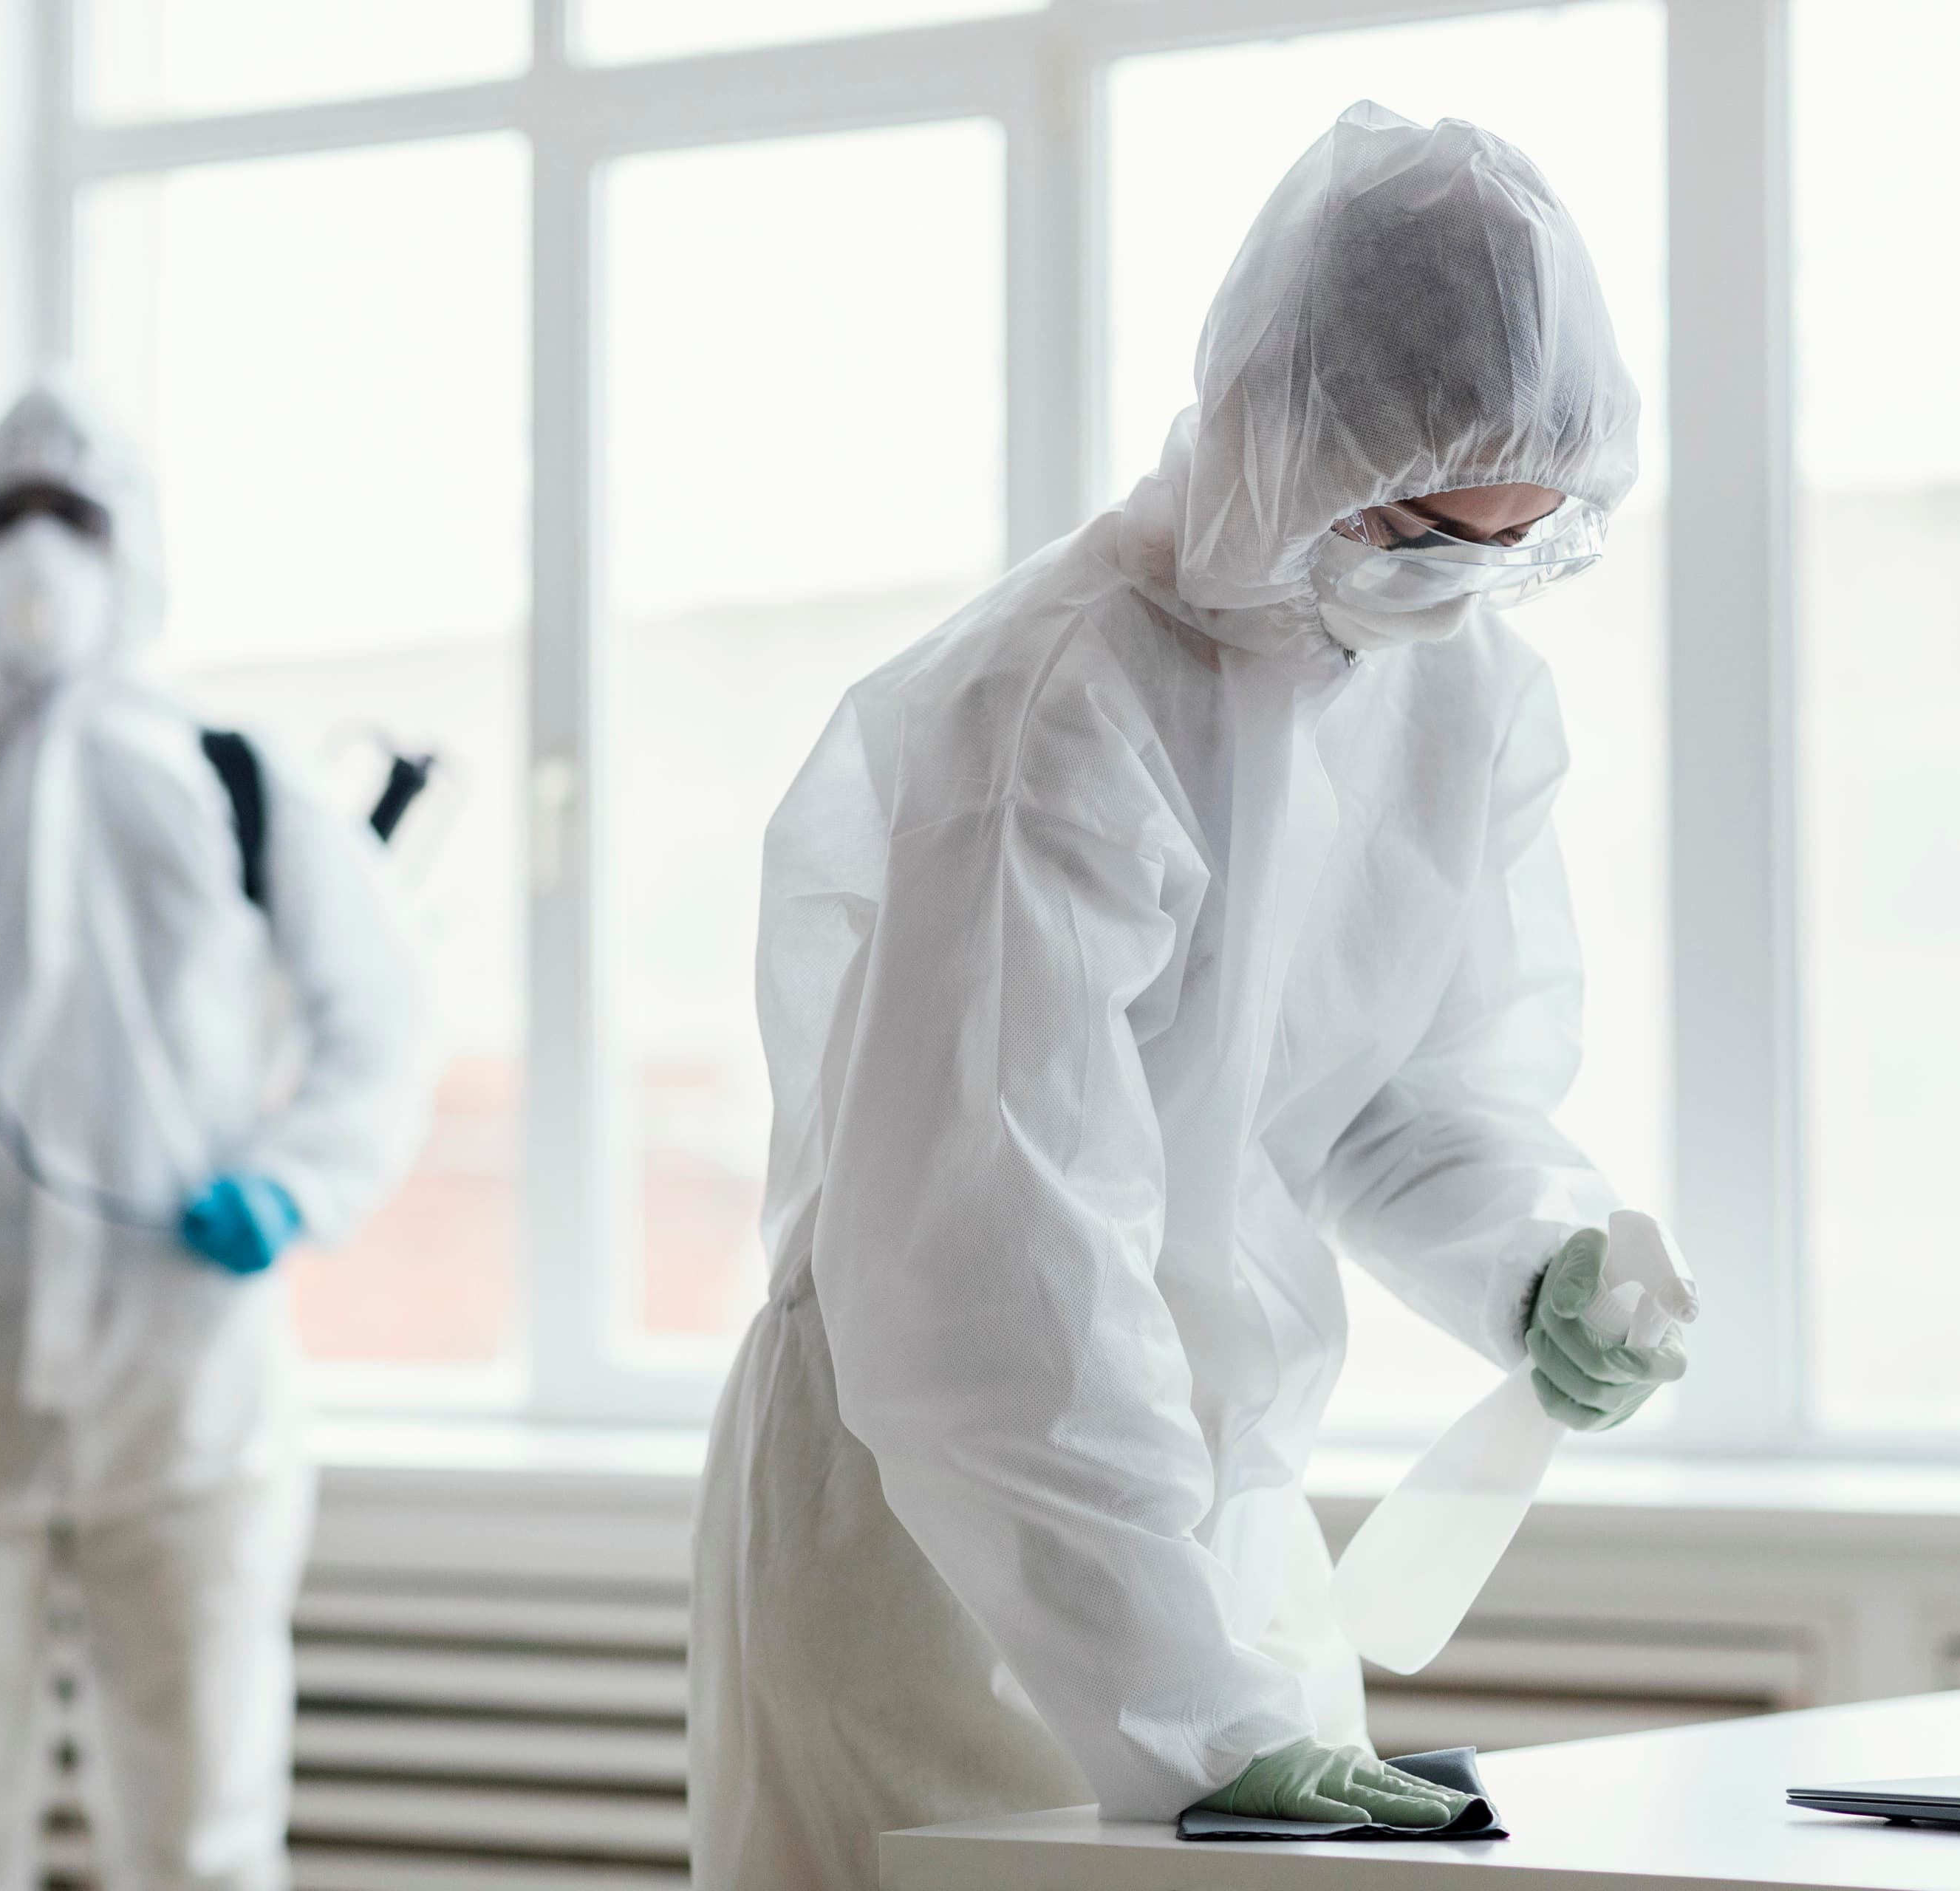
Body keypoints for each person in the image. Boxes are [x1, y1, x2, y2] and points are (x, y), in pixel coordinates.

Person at [689, 100, 1688, 1887]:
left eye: (1514, 540)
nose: (1453, 590)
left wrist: (1538, 1258)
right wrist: (1196, 1720)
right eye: (1419, 529)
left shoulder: (1462, 692)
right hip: (938, 1511)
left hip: (1196, 1503)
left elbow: (1403, 1093)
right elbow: (997, 1264)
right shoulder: (1055, 702)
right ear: (1287, 432)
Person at [0, 380, 434, 1891]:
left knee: (198, 1812)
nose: (35, 552)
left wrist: (295, 1181)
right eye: (0, 519)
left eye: (71, 515)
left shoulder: (235, 780)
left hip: (185, 1361)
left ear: (135, 545)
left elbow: (381, 1025)